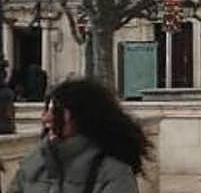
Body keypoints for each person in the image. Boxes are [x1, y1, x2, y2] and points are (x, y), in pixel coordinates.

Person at [11, 77, 151, 193]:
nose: (47, 119)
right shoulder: (33, 162)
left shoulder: (114, 172)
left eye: (57, 112)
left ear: (82, 117)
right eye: (47, 110)